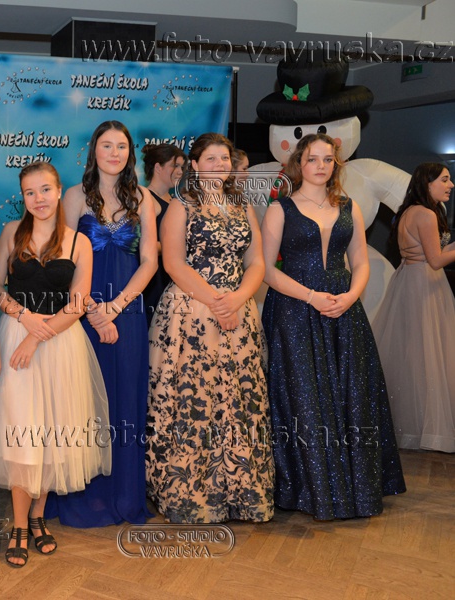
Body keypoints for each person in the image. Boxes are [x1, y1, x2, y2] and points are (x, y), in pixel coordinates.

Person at [261, 133, 406, 519]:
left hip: (344, 310)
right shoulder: (280, 209)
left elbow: (360, 261)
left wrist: (351, 295)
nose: (321, 166)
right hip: (294, 311)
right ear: (299, 164)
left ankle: (355, 488)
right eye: (313, 159)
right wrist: (312, 297)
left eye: (328, 159)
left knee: (350, 393)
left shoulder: (348, 206)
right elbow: (266, 271)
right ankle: (312, 490)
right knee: (304, 397)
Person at [147, 133, 274, 523]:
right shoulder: (180, 204)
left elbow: (257, 262)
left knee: (239, 404)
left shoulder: (243, 205)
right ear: (195, 165)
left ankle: (240, 493)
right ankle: (194, 496)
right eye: (211, 158)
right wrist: (217, 302)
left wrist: (237, 299)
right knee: (195, 403)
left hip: (238, 314)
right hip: (191, 316)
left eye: (225, 158)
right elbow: (173, 263)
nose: (220, 165)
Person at [0, 162, 110, 567]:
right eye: (30, 192)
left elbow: (77, 304)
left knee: (52, 434)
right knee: (21, 433)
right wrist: (24, 320)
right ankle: (19, 525)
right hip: (15, 341)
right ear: (22, 197)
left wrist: (36, 336)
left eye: (45, 190)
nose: (38, 198)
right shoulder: (11, 233)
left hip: (61, 344)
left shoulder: (79, 243)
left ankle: (39, 518)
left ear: (59, 192)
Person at [45, 121, 157, 527]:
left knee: (125, 399)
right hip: (82, 311)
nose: (114, 153)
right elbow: (62, 258)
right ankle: (84, 497)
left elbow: (150, 262)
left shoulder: (143, 199)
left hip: (128, 313)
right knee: (84, 403)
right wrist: (94, 309)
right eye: (106, 146)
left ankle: (124, 496)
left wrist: (117, 306)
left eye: (121, 146)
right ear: (94, 151)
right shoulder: (75, 197)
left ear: (130, 153)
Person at [373, 163, 455, 452]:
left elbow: (427, 253)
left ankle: (410, 425)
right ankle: (428, 429)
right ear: (428, 183)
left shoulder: (408, 211)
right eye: (445, 179)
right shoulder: (426, 214)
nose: (450, 185)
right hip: (424, 283)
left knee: (413, 353)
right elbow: (436, 260)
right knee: (429, 354)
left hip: (409, 278)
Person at [141, 142, 186, 326]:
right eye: (175, 166)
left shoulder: (176, 201)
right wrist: (178, 247)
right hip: (155, 280)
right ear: (158, 167)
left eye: (182, 167)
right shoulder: (145, 199)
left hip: (176, 279)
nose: (180, 171)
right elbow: (142, 244)